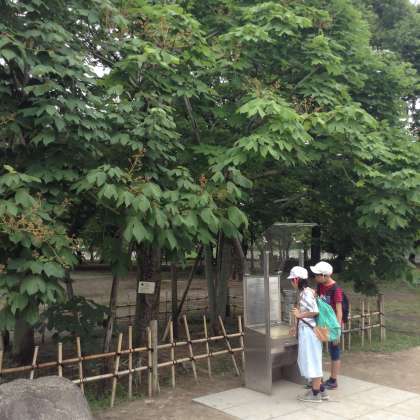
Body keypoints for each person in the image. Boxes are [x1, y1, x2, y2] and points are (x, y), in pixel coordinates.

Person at [288, 266, 328, 402]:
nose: (291, 283)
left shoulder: (306, 293)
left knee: (312, 361)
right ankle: (321, 390)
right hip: (309, 330)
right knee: (312, 359)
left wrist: (299, 315)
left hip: (309, 332)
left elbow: (314, 311)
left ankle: (315, 394)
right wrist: (296, 325)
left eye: (292, 280)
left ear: (296, 279)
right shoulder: (307, 292)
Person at [311, 261, 342, 390]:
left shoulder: (336, 289)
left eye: (317, 275)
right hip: (321, 323)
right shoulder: (320, 286)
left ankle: (333, 380)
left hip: (332, 325)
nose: (315, 277)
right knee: (318, 349)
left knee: (334, 351)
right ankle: (319, 379)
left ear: (324, 275)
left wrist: (337, 331)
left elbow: (339, 311)